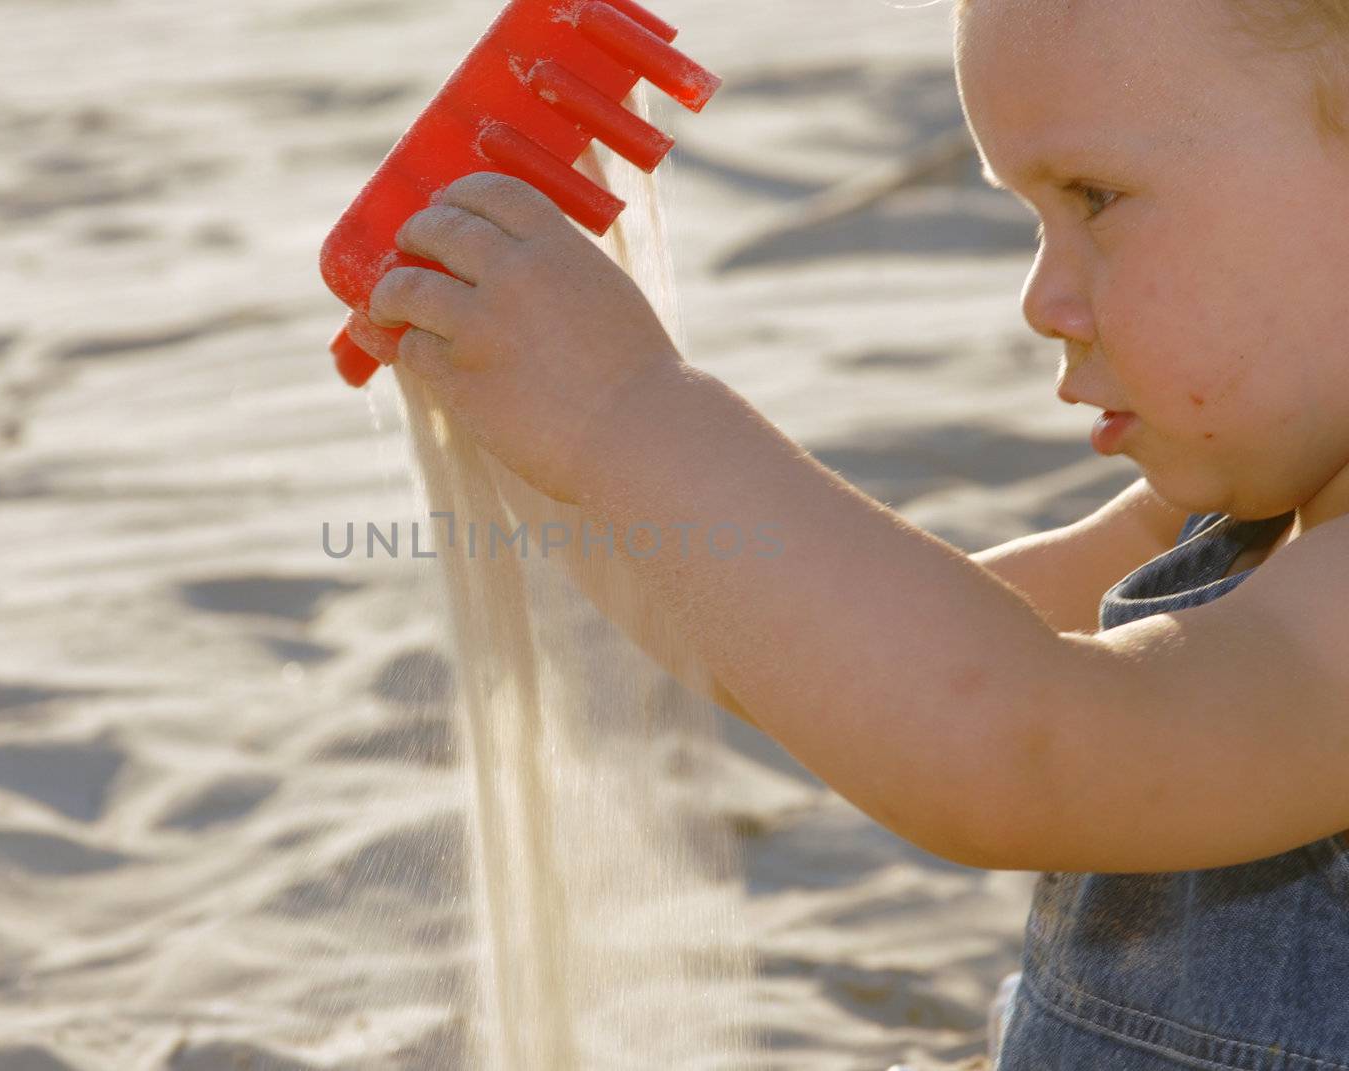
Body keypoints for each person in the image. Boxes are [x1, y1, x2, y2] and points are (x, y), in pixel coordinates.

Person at [347, 0, 1349, 1066]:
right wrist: (566, 470)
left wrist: (628, 414)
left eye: (1093, 197)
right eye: (1031, 218)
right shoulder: (1230, 515)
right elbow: (860, 666)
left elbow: (1023, 750)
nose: (1041, 298)